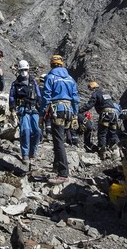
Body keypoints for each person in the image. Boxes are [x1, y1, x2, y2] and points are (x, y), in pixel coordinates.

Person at [40, 55, 79, 184]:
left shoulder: (50, 77)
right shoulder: (70, 79)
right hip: (68, 110)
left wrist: (42, 113)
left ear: (52, 64)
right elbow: (75, 98)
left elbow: (46, 96)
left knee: (58, 141)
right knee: (59, 139)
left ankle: (63, 173)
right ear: (61, 65)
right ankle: (57, 167)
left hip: (57, 109)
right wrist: (75, 114)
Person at [9, 60, 42, 164]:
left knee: (36, 131)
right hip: (23, 109)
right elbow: (12, 97)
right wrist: (13, 110)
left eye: (25, 70)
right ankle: (25, 154)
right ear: (19, 70)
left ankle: (33, 151)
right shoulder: (15, 84)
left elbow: (39, 95)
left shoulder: (33, 82)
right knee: (25, 131)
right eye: (21, 70)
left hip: (34, 109)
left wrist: (41, 108)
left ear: (28, 69)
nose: (23, 72)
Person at [79, 81, 119, 157]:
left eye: (90, 89)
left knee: (102, 133)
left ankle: (103, 152)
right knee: (113, 132)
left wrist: (80, 111)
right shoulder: (106, 94)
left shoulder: (95, 94)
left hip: (106, 114)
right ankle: (117, 151)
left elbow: (90, 105)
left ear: (92, 88)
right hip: (114, 114)